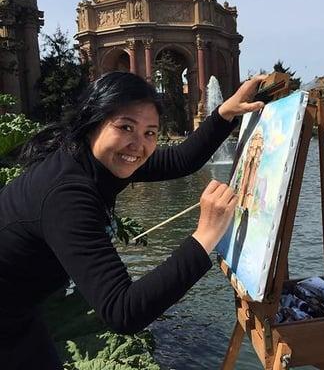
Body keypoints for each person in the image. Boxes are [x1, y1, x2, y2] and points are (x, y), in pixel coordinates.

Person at [0, 71, 266, 369]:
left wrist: (224, 113)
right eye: (126, 127)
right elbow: (122, 311)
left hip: (19, 310)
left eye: (150, 132)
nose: (138, 145)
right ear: (92, 122)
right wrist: (205, 236)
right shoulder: (68, 194)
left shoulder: (90, 157)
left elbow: (180, 160)